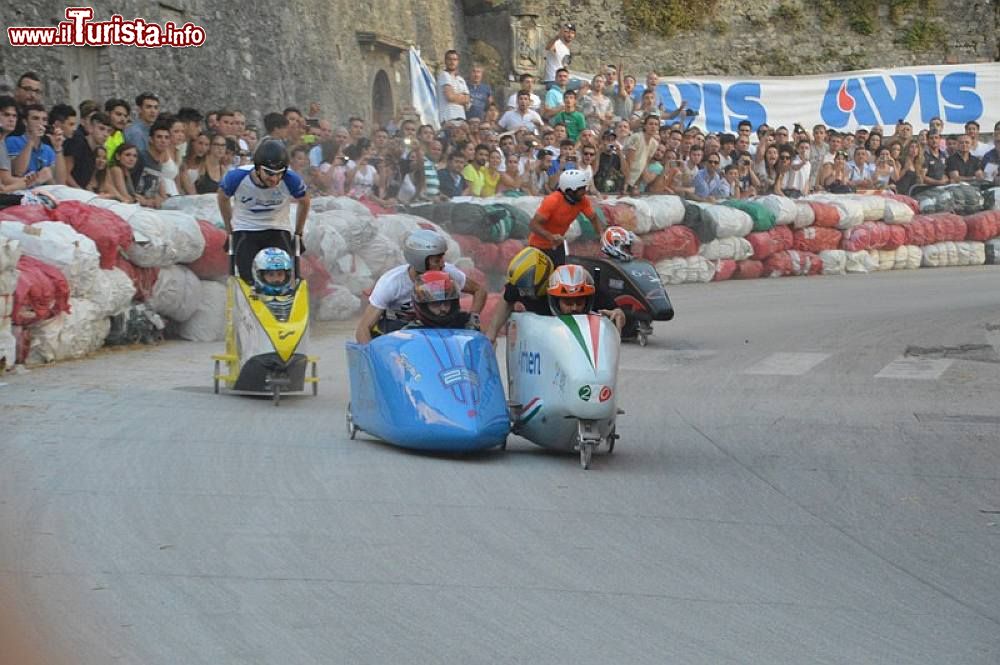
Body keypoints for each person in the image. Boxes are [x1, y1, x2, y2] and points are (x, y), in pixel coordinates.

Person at [354, 229, 486, 343]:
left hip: (437, 324)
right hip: (398, 329)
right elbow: (363, 329)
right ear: (419, 260)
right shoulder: (391, 283)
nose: (443, 264)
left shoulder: (448, 273)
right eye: (437, 260)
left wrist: (473, 318)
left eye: (442, 258)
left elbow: (479, 290)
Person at [217, 140, 310, 286]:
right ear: (258, 168)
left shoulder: (291, 179)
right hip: (246, 228)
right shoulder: (236, 177)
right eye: (269, 173)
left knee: (281, 273)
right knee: (247, 275)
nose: (274, 179)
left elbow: (304, 202)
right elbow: (222, 198)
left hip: (277, 227)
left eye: (280, 174)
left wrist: (298, 234)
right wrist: (230, 231)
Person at [528, 169, 605, 266]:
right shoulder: (552, 200)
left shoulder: (582, 200)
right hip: (538, 247)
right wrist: (550, 236)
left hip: (558, 246)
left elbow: (593, 217)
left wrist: (602, 235)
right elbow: (533, 225)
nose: (585, 191)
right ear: (570, 190)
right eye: (582, 188)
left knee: (559, 276)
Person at [485, 247, 555, 343]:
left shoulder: (557, 293)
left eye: (525, 290)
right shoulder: (517, 286)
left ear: (542, 284)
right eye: (519, 289)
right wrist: (491, 334)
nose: (521, 293)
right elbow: (506, 300)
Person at [545, 264, 625, 331]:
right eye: (568, 303)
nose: (574, 308)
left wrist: (618, 315)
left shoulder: (599, 298)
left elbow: (616, 312)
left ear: (587, 301)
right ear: (555, 302)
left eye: (579, 302)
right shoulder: (542, 310)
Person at [403, 271, 477, 330]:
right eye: (436, 304)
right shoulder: (410, 331)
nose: (443, 308)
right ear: (422, 306)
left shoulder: (466, 324)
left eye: (447, 303)